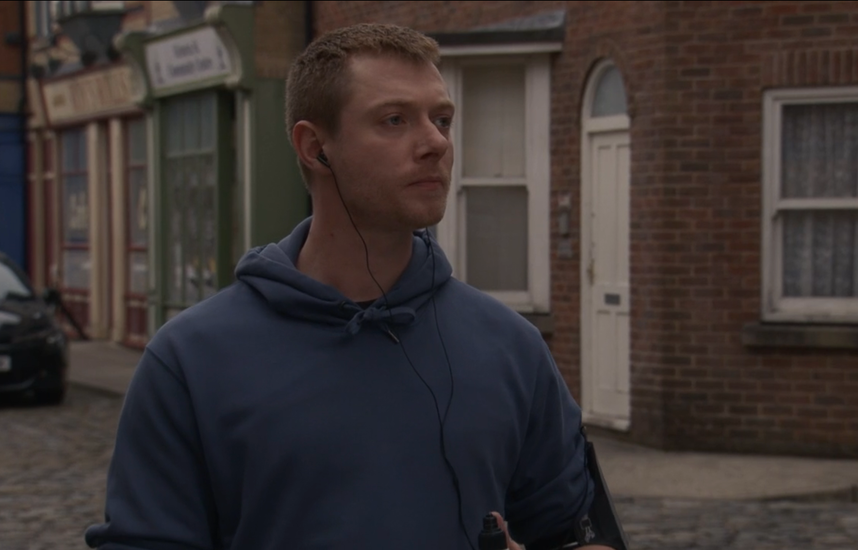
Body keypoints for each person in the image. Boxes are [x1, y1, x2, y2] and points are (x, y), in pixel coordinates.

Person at [85, 23, 617, 550]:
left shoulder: (511, 347)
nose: (435, 142)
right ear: (315, 147)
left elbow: (580, 534)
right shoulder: (190, 362)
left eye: (443, 120)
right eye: (394, 120)